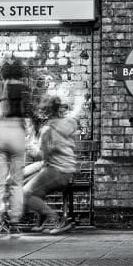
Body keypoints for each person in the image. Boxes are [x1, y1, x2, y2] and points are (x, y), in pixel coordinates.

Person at [23, 93, 86, 235]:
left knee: (25, 194)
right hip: (68, 171)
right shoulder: (68, 122)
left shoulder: (47, 131)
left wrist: (29, 146)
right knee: (32, 188)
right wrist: (79, 102)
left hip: (57, 171)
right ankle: (45, 217)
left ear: (45, 111)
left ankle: (53, 218)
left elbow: (43, 156)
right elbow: (75, 115)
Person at [0, 58, 32, 236]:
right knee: (16, 183)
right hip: (18, 133)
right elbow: (29, 113)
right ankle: (14, 221)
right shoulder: (25, 88)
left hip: (0, 130)